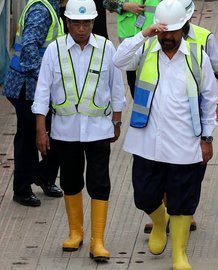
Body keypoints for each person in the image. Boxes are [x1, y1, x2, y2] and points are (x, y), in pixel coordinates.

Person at [113, 0, 218, 268]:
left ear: (184, 28)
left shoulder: (197, 56)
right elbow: (118, 60)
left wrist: (207, 138)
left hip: (185, 143)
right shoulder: (146, 48)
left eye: (173, 31)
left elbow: (209, 98)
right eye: (163, 31)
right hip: (148, 142)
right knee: (144, 196)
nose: (168, 37)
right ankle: (160, 222)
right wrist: (143, 34)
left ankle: (179, 254)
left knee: (183, 201)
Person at [31, 0, 125, 262]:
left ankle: (98, 240)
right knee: (70, 181)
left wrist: (117, 121)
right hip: (65, 131)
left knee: (99, 183)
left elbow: (116, 87)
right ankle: (75, 232)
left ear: (93, 23)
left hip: (98, 130)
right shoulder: (54, 51)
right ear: (67, 23)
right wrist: (41, 129)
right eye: (76, 23)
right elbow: (42, 91)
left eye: (87, 23)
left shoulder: (106, 48)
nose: (82, 29)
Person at [140, 0, 218, 234]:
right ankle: (165, 213)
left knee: (189, 171)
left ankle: (181, 212)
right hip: (164, 115)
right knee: (161, 167)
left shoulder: (204, 37)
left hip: (195, 117)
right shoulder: (157, 40)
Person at [2, 0, 64, 206]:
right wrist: (45, 80)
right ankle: (22, 189)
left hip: (34, 86)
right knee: (28, 138)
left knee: (56, 131)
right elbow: (29, 48)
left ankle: (44, 176)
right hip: (27, 87)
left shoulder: (51, 7)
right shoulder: (41, 10)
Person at [103, 0, 158, 97]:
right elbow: (106, 2)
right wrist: (124, 6)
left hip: (154, 46)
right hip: (130, 48)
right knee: (134, 90)